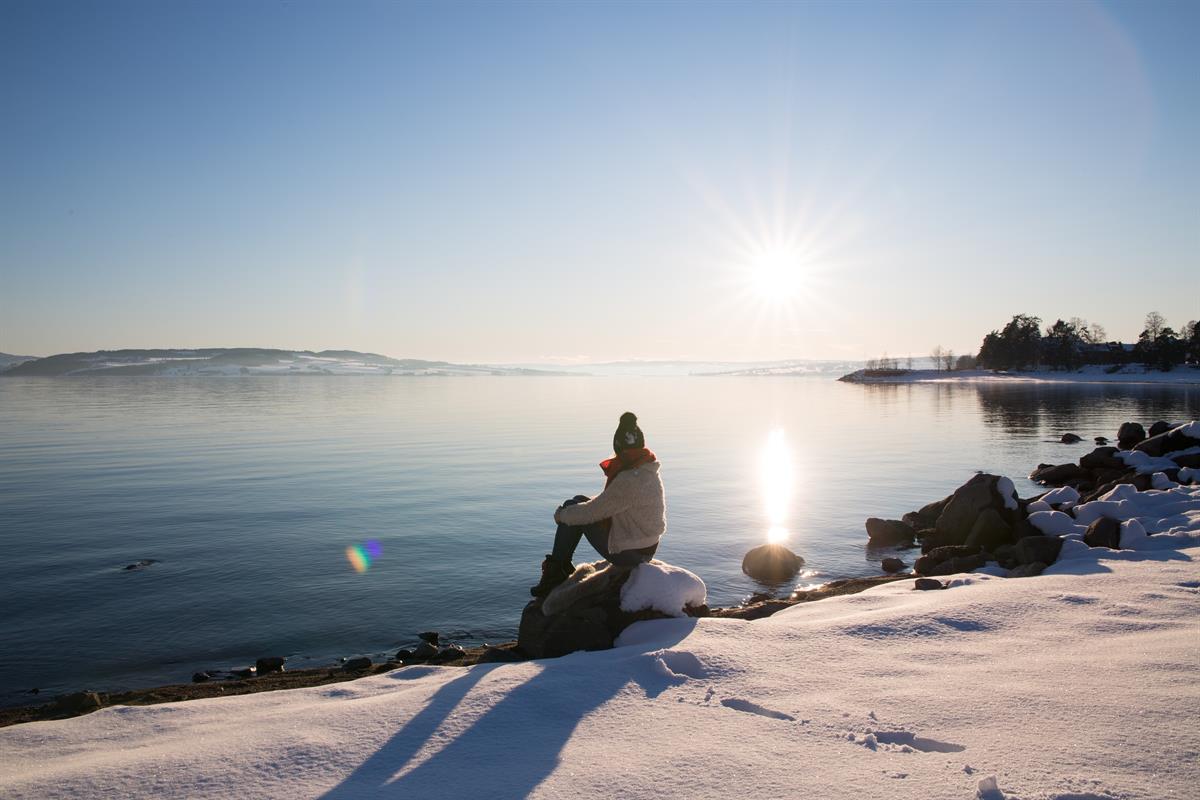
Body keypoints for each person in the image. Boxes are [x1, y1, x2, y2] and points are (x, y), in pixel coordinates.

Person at [530, 411, 667, 597]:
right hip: (643, 544)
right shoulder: (646, 470)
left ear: (619, 448)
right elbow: (610, 501)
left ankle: (557, 571)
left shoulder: (630, 479)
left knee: (574, 512)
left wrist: (561, 515)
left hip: (632, 554)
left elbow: (591, 513)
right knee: (577, 501)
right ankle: (560, 566)